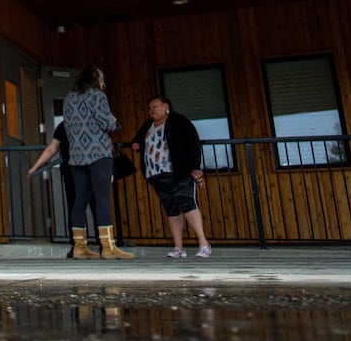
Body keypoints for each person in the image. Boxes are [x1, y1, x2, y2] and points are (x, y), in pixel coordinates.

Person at [61, 64, 133, 259]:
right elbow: (107, 123)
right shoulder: (97, 96)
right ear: (95, 80)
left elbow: (67, 126)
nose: (104, 84)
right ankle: (108, 247)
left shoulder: (68, 98)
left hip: (77, 155)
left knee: (80, 200)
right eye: (102, 79)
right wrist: (114, 120)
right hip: (98, 154)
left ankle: (79, 247)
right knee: (101, 199)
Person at [131, 96, 213, 258]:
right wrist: (136, 143)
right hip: (156, 174)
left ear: (165, 106)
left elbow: (193, 142)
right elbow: (139, 139)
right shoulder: (148, 125)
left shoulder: (178, 121)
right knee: (171, 208)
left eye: (155, 106)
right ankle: (178, 247)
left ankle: (204, 244)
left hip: (178, 172)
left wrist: (196, 166)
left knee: (187, 204)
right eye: (150, 108)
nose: (152, 110)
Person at [26, 121, 99, 258]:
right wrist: (35, 167)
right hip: (74, 170)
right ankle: (79, 245)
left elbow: (52, 148)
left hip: (88, 169)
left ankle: (99, 244)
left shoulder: (88, 121)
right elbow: (52, 148)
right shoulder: (66, 125)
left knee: (93, 205)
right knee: (79, 206)